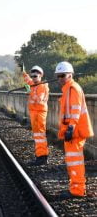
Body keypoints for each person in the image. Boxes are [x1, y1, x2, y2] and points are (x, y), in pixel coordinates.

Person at [55, 61, 94, 198]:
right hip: (71, 131)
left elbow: (75, 110)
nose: (60, 78)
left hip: (75, 132)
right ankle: (75, 188)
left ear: (70, 75)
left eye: (62, 75)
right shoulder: (68, 89)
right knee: (72, 161)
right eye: (58, 75)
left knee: (75, 161)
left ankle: (77, 190)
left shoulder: (73, 89)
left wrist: (71, 127)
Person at [22, 65, 49, 165]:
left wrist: (30, 92)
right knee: (37, 135)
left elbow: (39, 99)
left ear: (41, 76)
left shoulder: (42, 86)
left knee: (40, 135)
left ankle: (42, 157)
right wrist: (23, 72)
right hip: (34, 112)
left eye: (35, 76)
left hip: (40, 113)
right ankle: (39, 155)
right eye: (32, 76)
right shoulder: (33, 83)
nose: (33, 78)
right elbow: (27, 80)